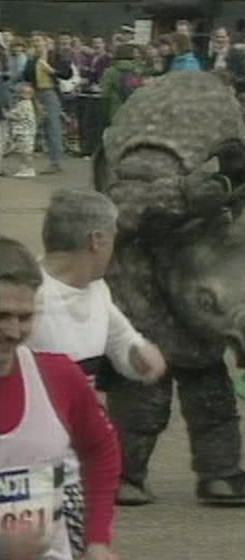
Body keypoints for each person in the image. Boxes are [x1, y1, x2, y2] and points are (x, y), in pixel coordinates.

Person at [25, 189, 166, 553]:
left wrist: (139, 354)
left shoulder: (98, 291)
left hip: (79, 460)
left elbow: (122, 339)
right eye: (114, 237)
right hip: (31, 465)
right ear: (96, 240)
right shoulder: (29, 300)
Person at [0, 236, 121, 560]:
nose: (12, 332)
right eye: (1, 316)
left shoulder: (59, 377)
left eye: (24, 317)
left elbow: (101, 451)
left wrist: (97, 540)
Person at [22, 32, 73, 175]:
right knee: (34, 125)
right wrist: (31, 60)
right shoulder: (33, 58)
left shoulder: (54, 56)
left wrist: (52, 70)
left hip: (50, 92)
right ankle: (28, 159)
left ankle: (55, 161)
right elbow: (26, 75)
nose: (36, 44)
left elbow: (66, 73)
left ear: (45, 42)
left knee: (53, 125)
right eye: (33, 41)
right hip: (36, 93)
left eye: (38, 41)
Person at [3, 83, 37, 178]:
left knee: (26, 153)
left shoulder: (25, 104)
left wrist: (6, 115)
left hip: (25, 133)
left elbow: (18, 116)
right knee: (23, 152)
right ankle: (24, 167)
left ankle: (29, 169)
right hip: (22, 132)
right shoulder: (23, 104)